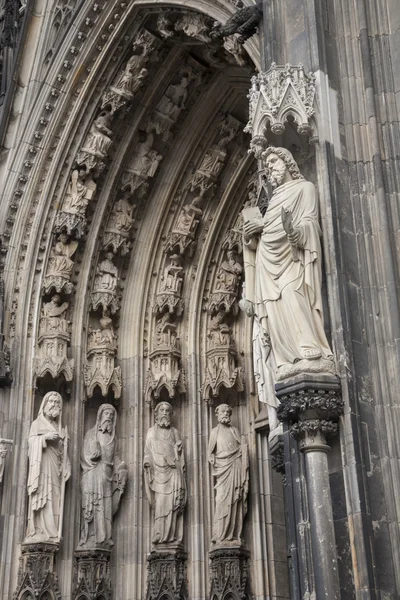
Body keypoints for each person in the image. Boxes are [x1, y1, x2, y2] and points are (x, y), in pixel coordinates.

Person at [242, 147, 334, 382]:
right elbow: (266, 233)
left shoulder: (305, 189)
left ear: (288, 162)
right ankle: (286, 358)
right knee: (275, 309)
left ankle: (308, 348)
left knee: (293, 293)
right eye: (268, 163)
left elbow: (310, 224)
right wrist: (253, 233)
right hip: (267, 264)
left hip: (292, 260)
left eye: (274, 161)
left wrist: (295, 231)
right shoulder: (273, 200)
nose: (270, 166)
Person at [79, 404, 127, 549]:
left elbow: (115, 457)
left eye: (112, 415)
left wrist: (122, 468)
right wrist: (92, 457)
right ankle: (91, 537)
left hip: (107, 476)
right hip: (93, 474)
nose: (109, 417)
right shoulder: (91, 434)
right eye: (106, 414)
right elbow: (84, 455)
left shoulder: (114, 438)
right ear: (100, 416)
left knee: (105, 507)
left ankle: (104, 537)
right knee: (94, 506)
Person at [24, 392, 70, 543]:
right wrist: (45, 438)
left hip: (55, 470)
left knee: (54, 499)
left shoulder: (59, 427)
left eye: (58, 403)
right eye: (51, 401)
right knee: (43, 497)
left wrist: (67, 465)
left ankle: (51, 532)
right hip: (41, 467)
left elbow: (63, 453)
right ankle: (38, 530)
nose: (54, 405)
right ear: (44, 405)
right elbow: (31, 442)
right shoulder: (37, 424)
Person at [144, 402, 186, 546]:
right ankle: (159, 534)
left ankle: (171, 535)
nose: (164, 413)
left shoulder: (174, 432)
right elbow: (147, 452)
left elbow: (179, 454)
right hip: (158, 473)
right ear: (156, 414)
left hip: (173, 472)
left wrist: (179, 450)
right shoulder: (151, 432)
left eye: (168, 410)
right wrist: (147, 462)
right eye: (161, 410)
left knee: (172, 505)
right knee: (160, 503)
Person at [208, 404, 249, 545]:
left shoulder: (234, 430)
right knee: (221, 501)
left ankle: (233, 534)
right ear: (217, 414)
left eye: (228, 411)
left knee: (234, 501)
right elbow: (210, 454)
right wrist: (212, 458)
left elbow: (241, 449)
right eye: (222, 411)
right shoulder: (214, 432)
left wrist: (244, 446)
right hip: (222, 471)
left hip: (234, 469)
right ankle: (219, 534)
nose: (225, 413)